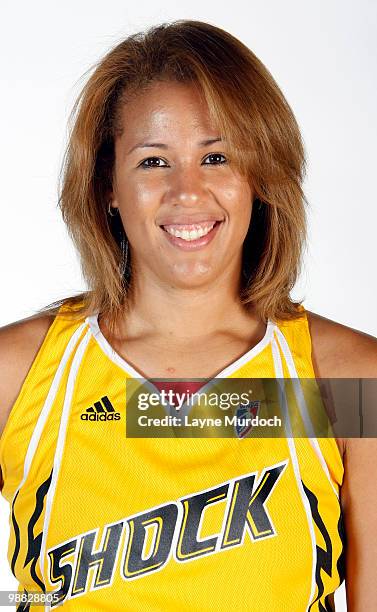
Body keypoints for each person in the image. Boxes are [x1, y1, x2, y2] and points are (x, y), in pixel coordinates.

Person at [0, 19, 376, 611]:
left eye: (217, 156)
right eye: (153, 162)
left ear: (261, 176)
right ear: (108, 185)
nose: (188, 193)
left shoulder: (348, 381)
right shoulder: (21, 373)